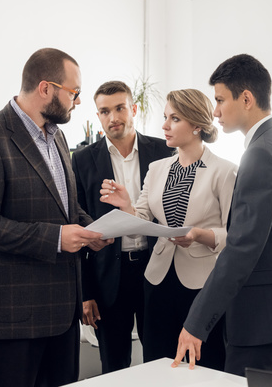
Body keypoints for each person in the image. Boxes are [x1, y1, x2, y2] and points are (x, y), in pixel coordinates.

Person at [0, 48, 112, 387]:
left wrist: (91, 229)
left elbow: (64, 207)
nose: (78, 101)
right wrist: (56, 238)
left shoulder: (57, 136)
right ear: (46, 88)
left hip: (61, 315)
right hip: (11, 318)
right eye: (74, 92)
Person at [173, 54, 272, 377]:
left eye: (219, 100)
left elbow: (242, 249)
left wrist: (195, 323)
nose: (214, 111)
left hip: (263, 317)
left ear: (246, 98)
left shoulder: (259, 153)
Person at [100, 89, 238, 371]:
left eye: (174, 119)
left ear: (197, 124)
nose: (164, 126)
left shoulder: (224, 171)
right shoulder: (157, 168)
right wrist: (127, 207)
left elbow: (234, 234)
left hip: (202, 284)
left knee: (202, 364)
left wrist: (198, 235)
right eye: (165, 117)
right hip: (157, 279)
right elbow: (141, 218)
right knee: (158, 361)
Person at [71, 81, 174, 373]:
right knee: (114, 364)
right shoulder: (81, 160)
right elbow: (77, 224)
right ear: (98, 116)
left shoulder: (164, 151)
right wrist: (85, 292)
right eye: (104, 111)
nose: (113, 117)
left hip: (155, 269)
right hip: (107, 278)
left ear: (134, 109)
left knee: (160, 358)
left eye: (119, 108)